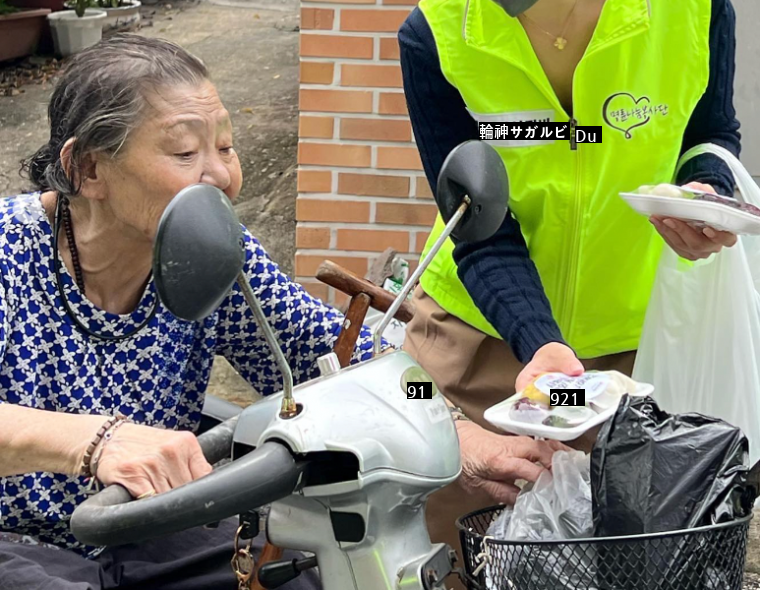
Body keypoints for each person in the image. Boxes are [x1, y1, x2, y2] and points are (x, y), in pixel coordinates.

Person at [0, 35, 561, 589]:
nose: (220, 176)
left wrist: (460, 431)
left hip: (150, 530)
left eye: (224, 147)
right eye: (183, 152)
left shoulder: (218, 251)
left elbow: (346, 359)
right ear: (86, 170)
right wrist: (99, 442)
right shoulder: (9, 252)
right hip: (16, 541)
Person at [398, 0, 742, 564]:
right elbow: (478, 225)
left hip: (635, 358)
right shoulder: (434, 36)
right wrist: (539, 340)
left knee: (629, 565)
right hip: (480, 347)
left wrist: (706, 188)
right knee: (451, 558)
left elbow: (709, 134)